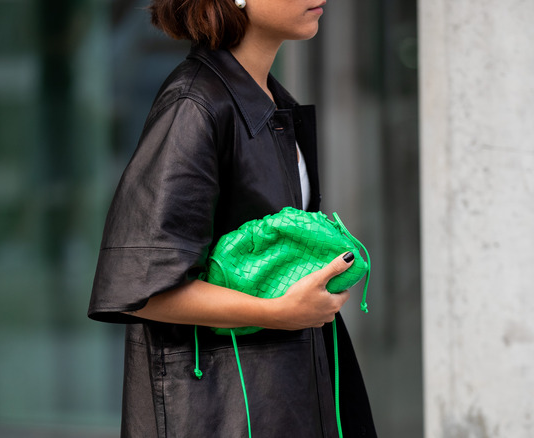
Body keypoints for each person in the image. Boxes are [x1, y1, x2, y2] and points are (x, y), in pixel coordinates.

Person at [88, 0, 377, 436]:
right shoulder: (195, 104)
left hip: (282, 396)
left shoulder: (270, 100)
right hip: (223, 410)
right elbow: (141, 287)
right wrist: (279, 311)